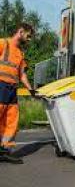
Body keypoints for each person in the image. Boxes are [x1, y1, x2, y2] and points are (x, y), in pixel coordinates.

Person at [0, 23, 35, 164]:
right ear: (20, 32)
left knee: (11, 120)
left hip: (12, 89)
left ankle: (4, 150)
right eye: (28, 36)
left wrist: (30, 89)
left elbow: (22, 75)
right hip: (0, 86)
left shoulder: (20, 53)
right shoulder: (3, 43)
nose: (29, 39)